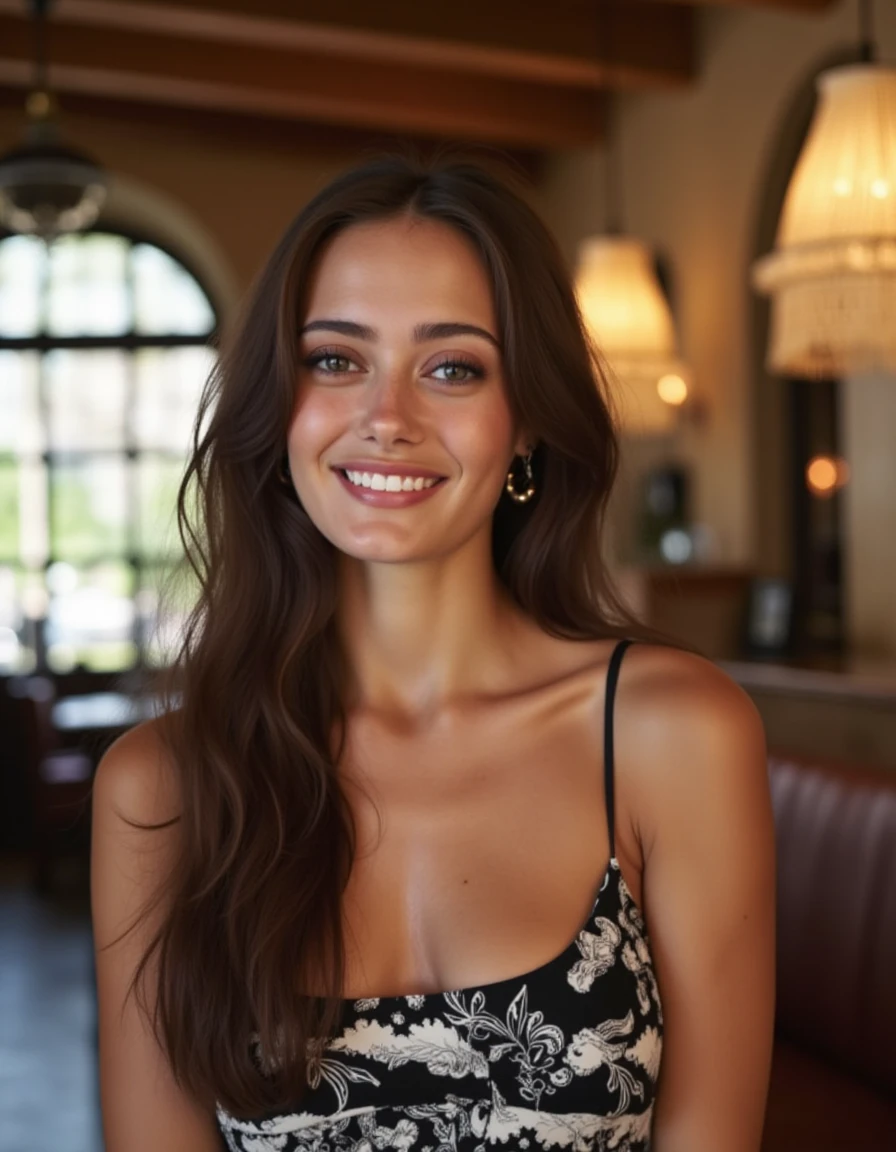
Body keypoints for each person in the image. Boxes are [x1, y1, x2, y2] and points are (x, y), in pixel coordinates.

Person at [91, 154, 776, 1152]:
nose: (386, 419)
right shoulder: (163, 790)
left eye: (451, 367)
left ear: (528, 419)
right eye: (335, 359)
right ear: (279, 404)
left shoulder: (671, 735)